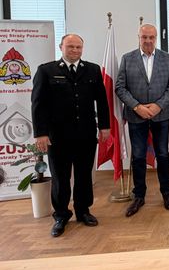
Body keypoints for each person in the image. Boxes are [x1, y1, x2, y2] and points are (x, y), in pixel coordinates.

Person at [31, 34, 110, 237]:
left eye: (78, 47)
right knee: (60, 177)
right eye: (70, 46)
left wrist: (104, 126)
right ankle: (61, 215)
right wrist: (40, 133)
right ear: (61, 47)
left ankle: (83, 211)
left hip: (85, 134)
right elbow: (38, 104)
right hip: (58, 136)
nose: (74, 50)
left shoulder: (92, 70)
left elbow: (102, 101)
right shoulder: (46, 70)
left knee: (84, 175)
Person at [115, 24, 169, 217]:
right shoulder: (128, 58)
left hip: (161, 115)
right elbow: (120, 87)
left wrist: (158, 105)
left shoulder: (167, 58)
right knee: (139, 156)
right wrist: (137, 107)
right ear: (139, 37)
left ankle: (166, 192)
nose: (148, 40)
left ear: (156, 38)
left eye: (152, 37)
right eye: (144, 37)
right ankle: (139, 196)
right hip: (136, 116)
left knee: (163, 155)